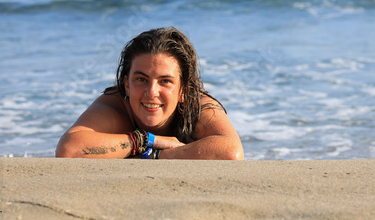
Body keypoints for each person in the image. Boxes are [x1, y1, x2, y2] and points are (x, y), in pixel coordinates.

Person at [56, 27, 244, 160]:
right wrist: (145, 140)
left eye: (165, 81)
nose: (151, 92)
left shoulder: (198, 106)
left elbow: (231, 151)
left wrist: (159, 155)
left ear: (184, 91)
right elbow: (68, 149)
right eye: (141, 79)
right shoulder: (115, 106)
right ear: (126, 85)